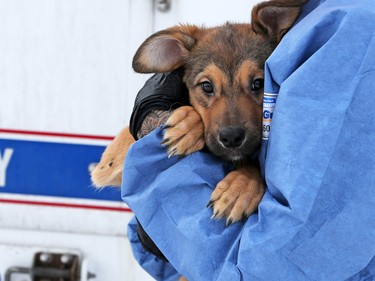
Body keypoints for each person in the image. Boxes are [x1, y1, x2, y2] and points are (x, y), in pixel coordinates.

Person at [122, 0, 375, 280]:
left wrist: (158, 165)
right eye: (208, 87)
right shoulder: (318, 15)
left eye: (257, 85)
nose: (231, 123)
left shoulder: (353, 27)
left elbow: (269, 261)